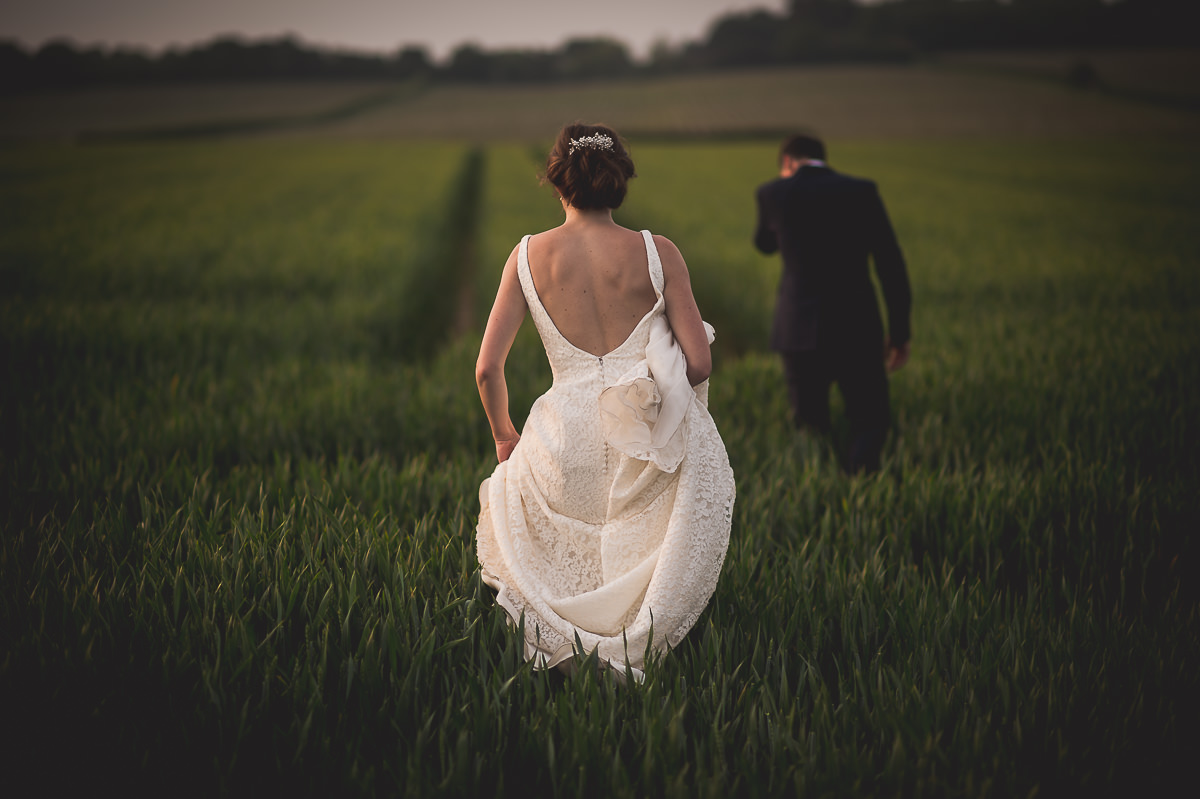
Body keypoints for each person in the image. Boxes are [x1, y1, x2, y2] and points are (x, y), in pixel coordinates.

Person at [475, 123, 735, 680]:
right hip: (641, 425)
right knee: (635, 547)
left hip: (560, 431)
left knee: (571, 550)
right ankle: (630, 656)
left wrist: (504, 436)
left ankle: (567, 659)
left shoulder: (525, 256)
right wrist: (652, 378)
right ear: (620, 181)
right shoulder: (657, 252)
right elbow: (700, 363)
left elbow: (487, 368)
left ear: (558, 181)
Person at [754, 134, 912, 473]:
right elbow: (891, 265)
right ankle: (861, 484)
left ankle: (820, 490)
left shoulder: (773, 194)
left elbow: (764, 244)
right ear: (821, 157)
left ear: (788, 163)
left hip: (798, 330)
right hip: (858, 327)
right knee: (870, 420)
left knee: (810, 426)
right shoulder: (862, 191)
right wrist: (899, 333)